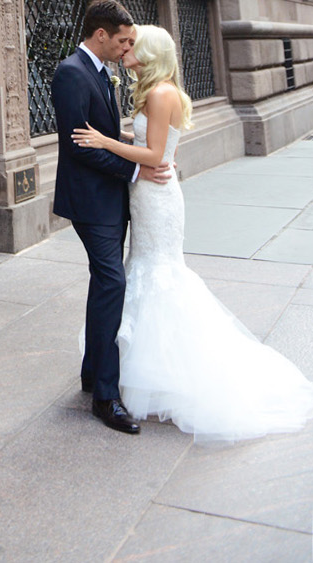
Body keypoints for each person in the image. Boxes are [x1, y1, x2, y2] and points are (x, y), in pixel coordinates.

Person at [73, 24, 313, 442]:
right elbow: (161, 146)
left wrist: (104, 142)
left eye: (134, 44)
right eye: (123, 43)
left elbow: (154, 154)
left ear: (150, 52)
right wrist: (121, 137)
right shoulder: (156, 91)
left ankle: (165, 372)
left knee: (159, 275)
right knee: (143, 271)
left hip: (157, 198)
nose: (126, 49)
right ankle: (128, 371)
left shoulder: (162, 93)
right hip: (148, 193)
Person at [51, 0, 172, 435]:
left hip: (112, 198)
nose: (126, 49)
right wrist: (138, 168)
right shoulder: (71, 73)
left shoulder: (104, 74)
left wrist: (136, 157)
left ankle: (90, 372)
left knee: (105, 283)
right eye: (121, 40)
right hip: (89, 202)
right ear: (100, 35)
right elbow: (79, 145)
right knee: (113, 283)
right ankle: (106, 395)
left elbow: (102, 133)